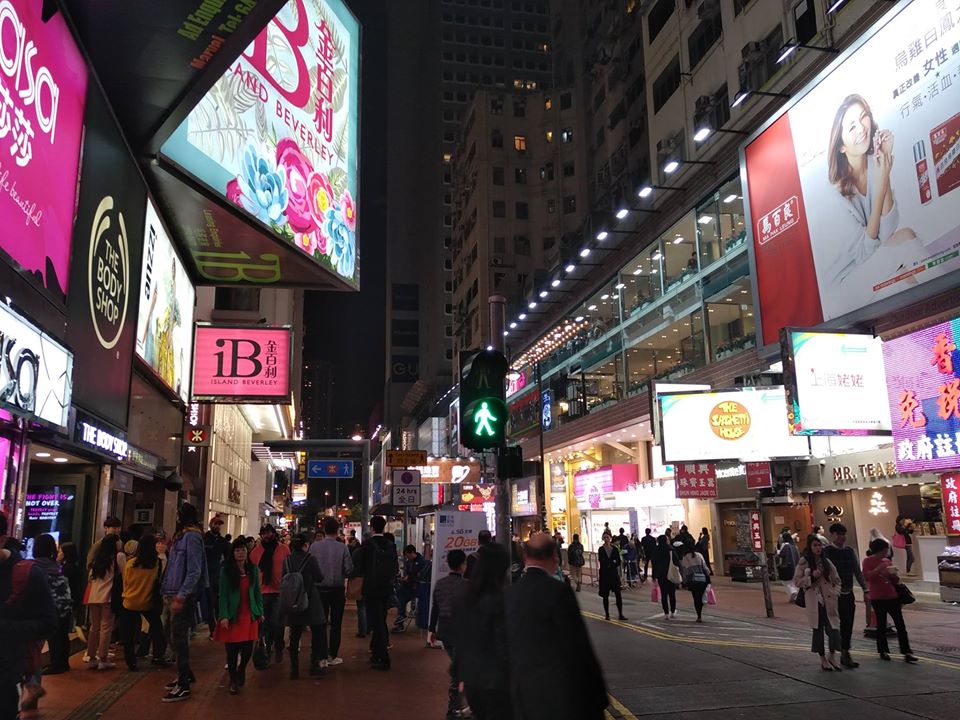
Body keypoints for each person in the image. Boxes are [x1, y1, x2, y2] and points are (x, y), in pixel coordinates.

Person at [822, 94, 920, 315]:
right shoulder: (834, 195)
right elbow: (865, 252)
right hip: (844, 289)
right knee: (904, 255)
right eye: (852, 127)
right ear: (841, 147)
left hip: (871, 269)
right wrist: (883, 179)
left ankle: (940, 314)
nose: (861, 129)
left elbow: (889, 229)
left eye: (863, 117)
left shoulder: (873, 163)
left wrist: (884, 165)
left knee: (906, 239)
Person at [506, 534, 608, 720]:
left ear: (525, 558)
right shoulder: (559, 592)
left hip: (524, 694)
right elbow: (579, 646)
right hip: (559, 692)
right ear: (554, 556)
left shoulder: (512, 594)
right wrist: (597, 695)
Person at [0, 513, 59, 720]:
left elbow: (49, 622)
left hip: (5, 673)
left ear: (2, 539)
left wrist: (6, 628)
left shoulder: (27, 574)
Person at [455, 544, 511, 720]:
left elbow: (459, 637)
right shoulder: (503, 600)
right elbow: (503, 644)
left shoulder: (464, 596)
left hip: (472, 678)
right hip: (497, 682)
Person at [160, 502, 208, 702]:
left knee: (178, 637)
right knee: (169, 633)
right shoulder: (180, 537)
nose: (177, 517)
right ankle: (184, 674)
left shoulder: (192, 536)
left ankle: (184, 684)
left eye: (179, 514)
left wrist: (182, 595)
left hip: (181, 594)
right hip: (171, 592)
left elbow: (195, 570)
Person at [214, 537, 264, 694]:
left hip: (249, 614)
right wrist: (223, 615)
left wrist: (260, 611)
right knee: (232, 651)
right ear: (233, 553)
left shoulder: (253, 570)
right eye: (237, 550)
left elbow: (257, 592)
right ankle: (233, 680)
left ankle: (241, 669)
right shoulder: (226, 570)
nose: (241, 553)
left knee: (248, 649)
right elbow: (222, 594)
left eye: (243, 549)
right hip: (232, 615)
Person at [352, 516, 398, 670]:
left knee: (375, 621)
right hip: (386, 588)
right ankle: (378, 653)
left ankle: (382, 657)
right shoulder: (390, 545)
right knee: (381, 619)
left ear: (372, 528)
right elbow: (395, 567)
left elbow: (360, 566)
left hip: (371, 588)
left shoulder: (368, 545)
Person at [862, 537, 917, 662]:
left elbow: (894, 580)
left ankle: (906, 651)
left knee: (900, 624)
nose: (886, 553)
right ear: (879, 550)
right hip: (878, 597)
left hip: (892, 595)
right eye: (885, 550)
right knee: (881, 625)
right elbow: (867, 576)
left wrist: (894, 575)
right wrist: (880, 568)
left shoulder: (887, 561)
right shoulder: (868, 561)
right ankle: (883, 650)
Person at [428, 549, 468, 719]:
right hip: (462, 633)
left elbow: (435, 608)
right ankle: (455, 707)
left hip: (445, 631)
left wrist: (432, 629)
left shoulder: (440, 584)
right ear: (462, 565)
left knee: (459, 667)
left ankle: (458, 706)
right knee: (460, 669)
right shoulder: (467, 586)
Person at [794, 535, 842, 671]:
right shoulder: (804, 562)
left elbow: (837, 579)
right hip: (814, 601)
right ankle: (822, 659)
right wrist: (810, 577)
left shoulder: (826, 562)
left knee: (834, 630)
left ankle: (832, 655)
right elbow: (797, 581)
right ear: (810, 547)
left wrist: (835, 592)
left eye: (820, 545)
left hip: (829, 601)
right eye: (815, 545)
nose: (818, 548)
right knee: (818, 630)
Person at [281, 533, 326, 679]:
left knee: (295, 635)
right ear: (305, 545)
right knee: (318, 630)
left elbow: (283, 577)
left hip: (293, 600)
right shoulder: (310, 559)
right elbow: (319, 577)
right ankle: (314, 664)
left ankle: (294, 669)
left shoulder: (287, 560)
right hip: (310, 599)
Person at [823, 523, 868, 668]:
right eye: (838, 534)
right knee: (834, 625)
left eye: (843, 534)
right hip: (833, 595)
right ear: (832, 535)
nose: (842, 537)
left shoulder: (849, 551)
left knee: (848, 623)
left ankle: (845, 652)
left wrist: (865, 588)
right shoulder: (826, 552)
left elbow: (857, 571)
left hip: (848, 592)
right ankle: (832, 654)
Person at [310, 517, 353, 666]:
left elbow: (310, 568)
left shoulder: (314, 547)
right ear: (337, 530)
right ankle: (332, 655)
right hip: (337, 590)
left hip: (318, 589)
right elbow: (348, 569)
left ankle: (319, 654)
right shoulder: (343, 548)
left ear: (324, 530)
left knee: (319, 623)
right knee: (336, 624)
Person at [120, 532, 165, 672]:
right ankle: (158, 655)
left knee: (128, 634)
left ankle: (131, 661)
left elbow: (125, 582)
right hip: (147, 602)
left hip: (129, 602)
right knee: (157, 628)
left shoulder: (130, 563)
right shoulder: (156, 563)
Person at [249, 523, 291, 664]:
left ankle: (278, 645)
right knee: (265, 623)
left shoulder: (283, 549)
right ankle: (267, 647)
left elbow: (289, 569)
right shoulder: (256, 551)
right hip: (262, 592)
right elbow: (252, 572)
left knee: (278, 623)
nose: (267, 535)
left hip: (280, 591)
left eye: (269, 532)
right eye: (264, 533)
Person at [32, 535, 73, 676]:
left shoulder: (35, 566)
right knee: (61, 635)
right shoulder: (55, 565)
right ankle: (62, 663)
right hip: (63, 604)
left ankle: (56, 664)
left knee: (53, 637)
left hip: (49, 607)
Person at [86, 534, 124, 670]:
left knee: (94, 627)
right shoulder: (118, 557)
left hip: (93, 596)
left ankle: (91, 657)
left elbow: (91, 577)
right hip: (107, 596)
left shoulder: (97, 559)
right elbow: (124, 575)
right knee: (105, 628)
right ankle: (103, 658)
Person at [203, 514, 231, 639]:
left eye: (219, 524)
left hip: (218, 577)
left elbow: (228, 557)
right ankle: (212, 628)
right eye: (216, 524)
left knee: (218, 603)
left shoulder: (222, 541)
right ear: (210, 525)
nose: (218, 526)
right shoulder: (204, 539)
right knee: (209, 603)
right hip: (205, 576)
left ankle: (219, 628)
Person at [393, 544, 425, 632]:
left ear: (412, 553)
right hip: (408, 585)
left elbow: (420, 576)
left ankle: (401, 617)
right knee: (398, 594)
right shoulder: (409, 562)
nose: (407, 558)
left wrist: (410, 578)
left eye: (407, 555)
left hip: (416, 587)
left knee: (401, 598)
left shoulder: (421, 562)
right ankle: (401, 616)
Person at [679, 542, 711, 622]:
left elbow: (684, 571)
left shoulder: (685, 557)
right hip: (702, 580)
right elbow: (705, 567)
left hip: (692, 581)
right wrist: (708, 575)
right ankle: (701, 604)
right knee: (701, 595)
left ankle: (699, 615)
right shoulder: (699, 555)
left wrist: (684, 581)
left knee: (695, 598)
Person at [597, 532, 626, 621]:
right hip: (605, 575)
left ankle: (620, 614)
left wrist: (611, 563)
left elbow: (618, 561)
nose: (606, 539)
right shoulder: (601, 549)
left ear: (610, 538)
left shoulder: (614, 549)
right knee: (605, 595)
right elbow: (602, 560)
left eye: (607, 537)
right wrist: (611, 563)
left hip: (613, 574)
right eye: (604, 537)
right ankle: (607, 614)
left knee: (618, 594)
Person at [652, 534, 677, 618]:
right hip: (671, 573)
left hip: (661, 575)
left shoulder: (656, 550)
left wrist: (654, 575)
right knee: (672, 594)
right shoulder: (670, 549)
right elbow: (676, 561)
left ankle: (666, 613)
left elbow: (654, 564)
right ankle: (673, 611)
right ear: (666, 540)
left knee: (664, 594)